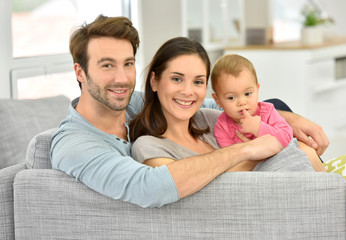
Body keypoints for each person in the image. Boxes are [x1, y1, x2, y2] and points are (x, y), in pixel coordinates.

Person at [50, 14, 328, 208]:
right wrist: (246, 151)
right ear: (80, 72)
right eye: (107, 65)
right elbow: (151, 187)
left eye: (128, 63)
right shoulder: (75, 144)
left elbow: (206, 107)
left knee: (282, 112)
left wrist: (290, 120)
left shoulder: (131, 103)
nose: (122, 78)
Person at [129, 36, 317, 174]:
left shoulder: (210, 118)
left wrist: (289, 123)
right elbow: (188, 188)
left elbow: (251, 108)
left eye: (198, 82)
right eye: (177, 79)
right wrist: (253, 152)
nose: (188, 91)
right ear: (154, 81)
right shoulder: (148, 147)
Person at [211, 54, 326, 172]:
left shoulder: (267, 111)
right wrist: (253, 149)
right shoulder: (222, 127)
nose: (242, 102)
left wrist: (259, 128)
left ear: (257, 89)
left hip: (285, 163)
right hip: (258, 173)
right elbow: (231, 161)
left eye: (248, 94)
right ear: (218, 100)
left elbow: (287, 138)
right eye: (231, 98)